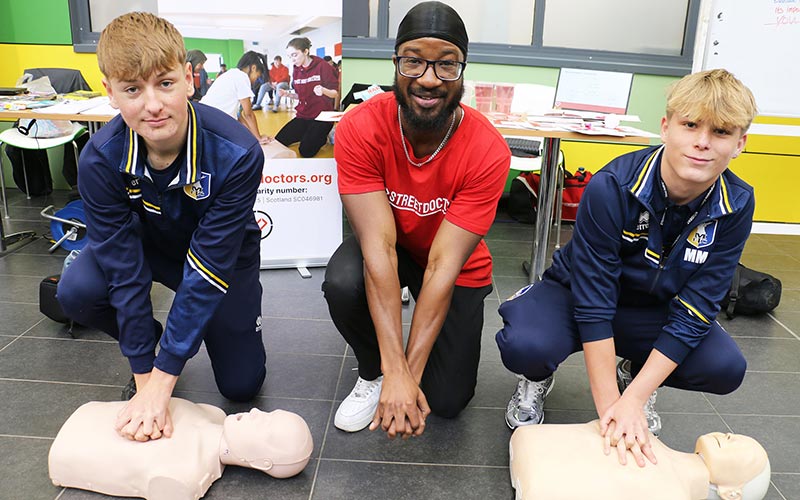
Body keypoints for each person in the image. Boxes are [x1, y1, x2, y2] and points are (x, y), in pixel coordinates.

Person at [496, 69, 758, 463]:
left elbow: (700, 305)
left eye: (721, 132)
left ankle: (637, 376)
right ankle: (536, 378)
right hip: (576, 293)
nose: (702, 143)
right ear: (666, 127)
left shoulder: (737, 202)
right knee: (526, 345)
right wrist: (611, 412)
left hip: (653, 309)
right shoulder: (613, 186)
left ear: (740, 144)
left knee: (724, 367)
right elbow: (594, 300)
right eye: (690, 125)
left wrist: (632, 400)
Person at [57, 12, 267, 443]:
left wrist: (167, 375)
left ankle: (184, 343)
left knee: (242, 383)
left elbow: (208, 269)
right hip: (148, 247)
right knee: (76, 291)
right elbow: (124, 271)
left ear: (189, 79)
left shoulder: (238, 153)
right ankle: (156, 342)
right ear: (110, 93)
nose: (152, 105)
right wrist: (146, 378)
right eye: (132, 89)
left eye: (165, 83)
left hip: (223, 259)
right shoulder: (100, 159)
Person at [322, 1, 510, 439]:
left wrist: (410, 376)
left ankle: (400, 378)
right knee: (344, 280)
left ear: (463, 71)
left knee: (446, 401)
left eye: (446, 65)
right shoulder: (359, 129)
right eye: (414, 62)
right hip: (396, 248)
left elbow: (444, 266)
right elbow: (378, 250)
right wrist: (392, 371)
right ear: (395, 63)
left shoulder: (487, 149)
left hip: (455, 267)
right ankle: (372, 373)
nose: (428, 79)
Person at [49, 398, 313, 499]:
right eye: (267, 413)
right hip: (91, 414)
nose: (256, 411)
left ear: (262, 462)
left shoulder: (184, 478)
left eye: (265, 425)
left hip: (67, 451)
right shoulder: (213, 414)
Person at [509, 420, 770, 500]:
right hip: (533, 448)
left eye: (745, 451)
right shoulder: (649, 439)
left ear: (732, 493)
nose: (732, 436)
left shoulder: (672, 494)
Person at [273, 37, 339, 158]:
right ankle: (308, 133)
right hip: (304, 115)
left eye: (295, 55)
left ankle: (324, 136)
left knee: (306, 151)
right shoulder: (296, 70)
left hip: (322, 117)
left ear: (306, 51)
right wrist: (287, 94)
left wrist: (323, 91)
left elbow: (335, 93)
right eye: (290, 56)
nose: (293, 60)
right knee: (278, 141)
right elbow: (301, 96)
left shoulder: (323, 66)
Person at [201, 51, 272, 144]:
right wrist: (258, 137)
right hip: (210, 124)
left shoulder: (232, 74)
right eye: (257, 76)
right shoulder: (242, 77)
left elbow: (239, 116)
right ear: (253, 68)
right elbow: (248, 114)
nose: (255, 80)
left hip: (203, 119)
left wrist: (253, 136)